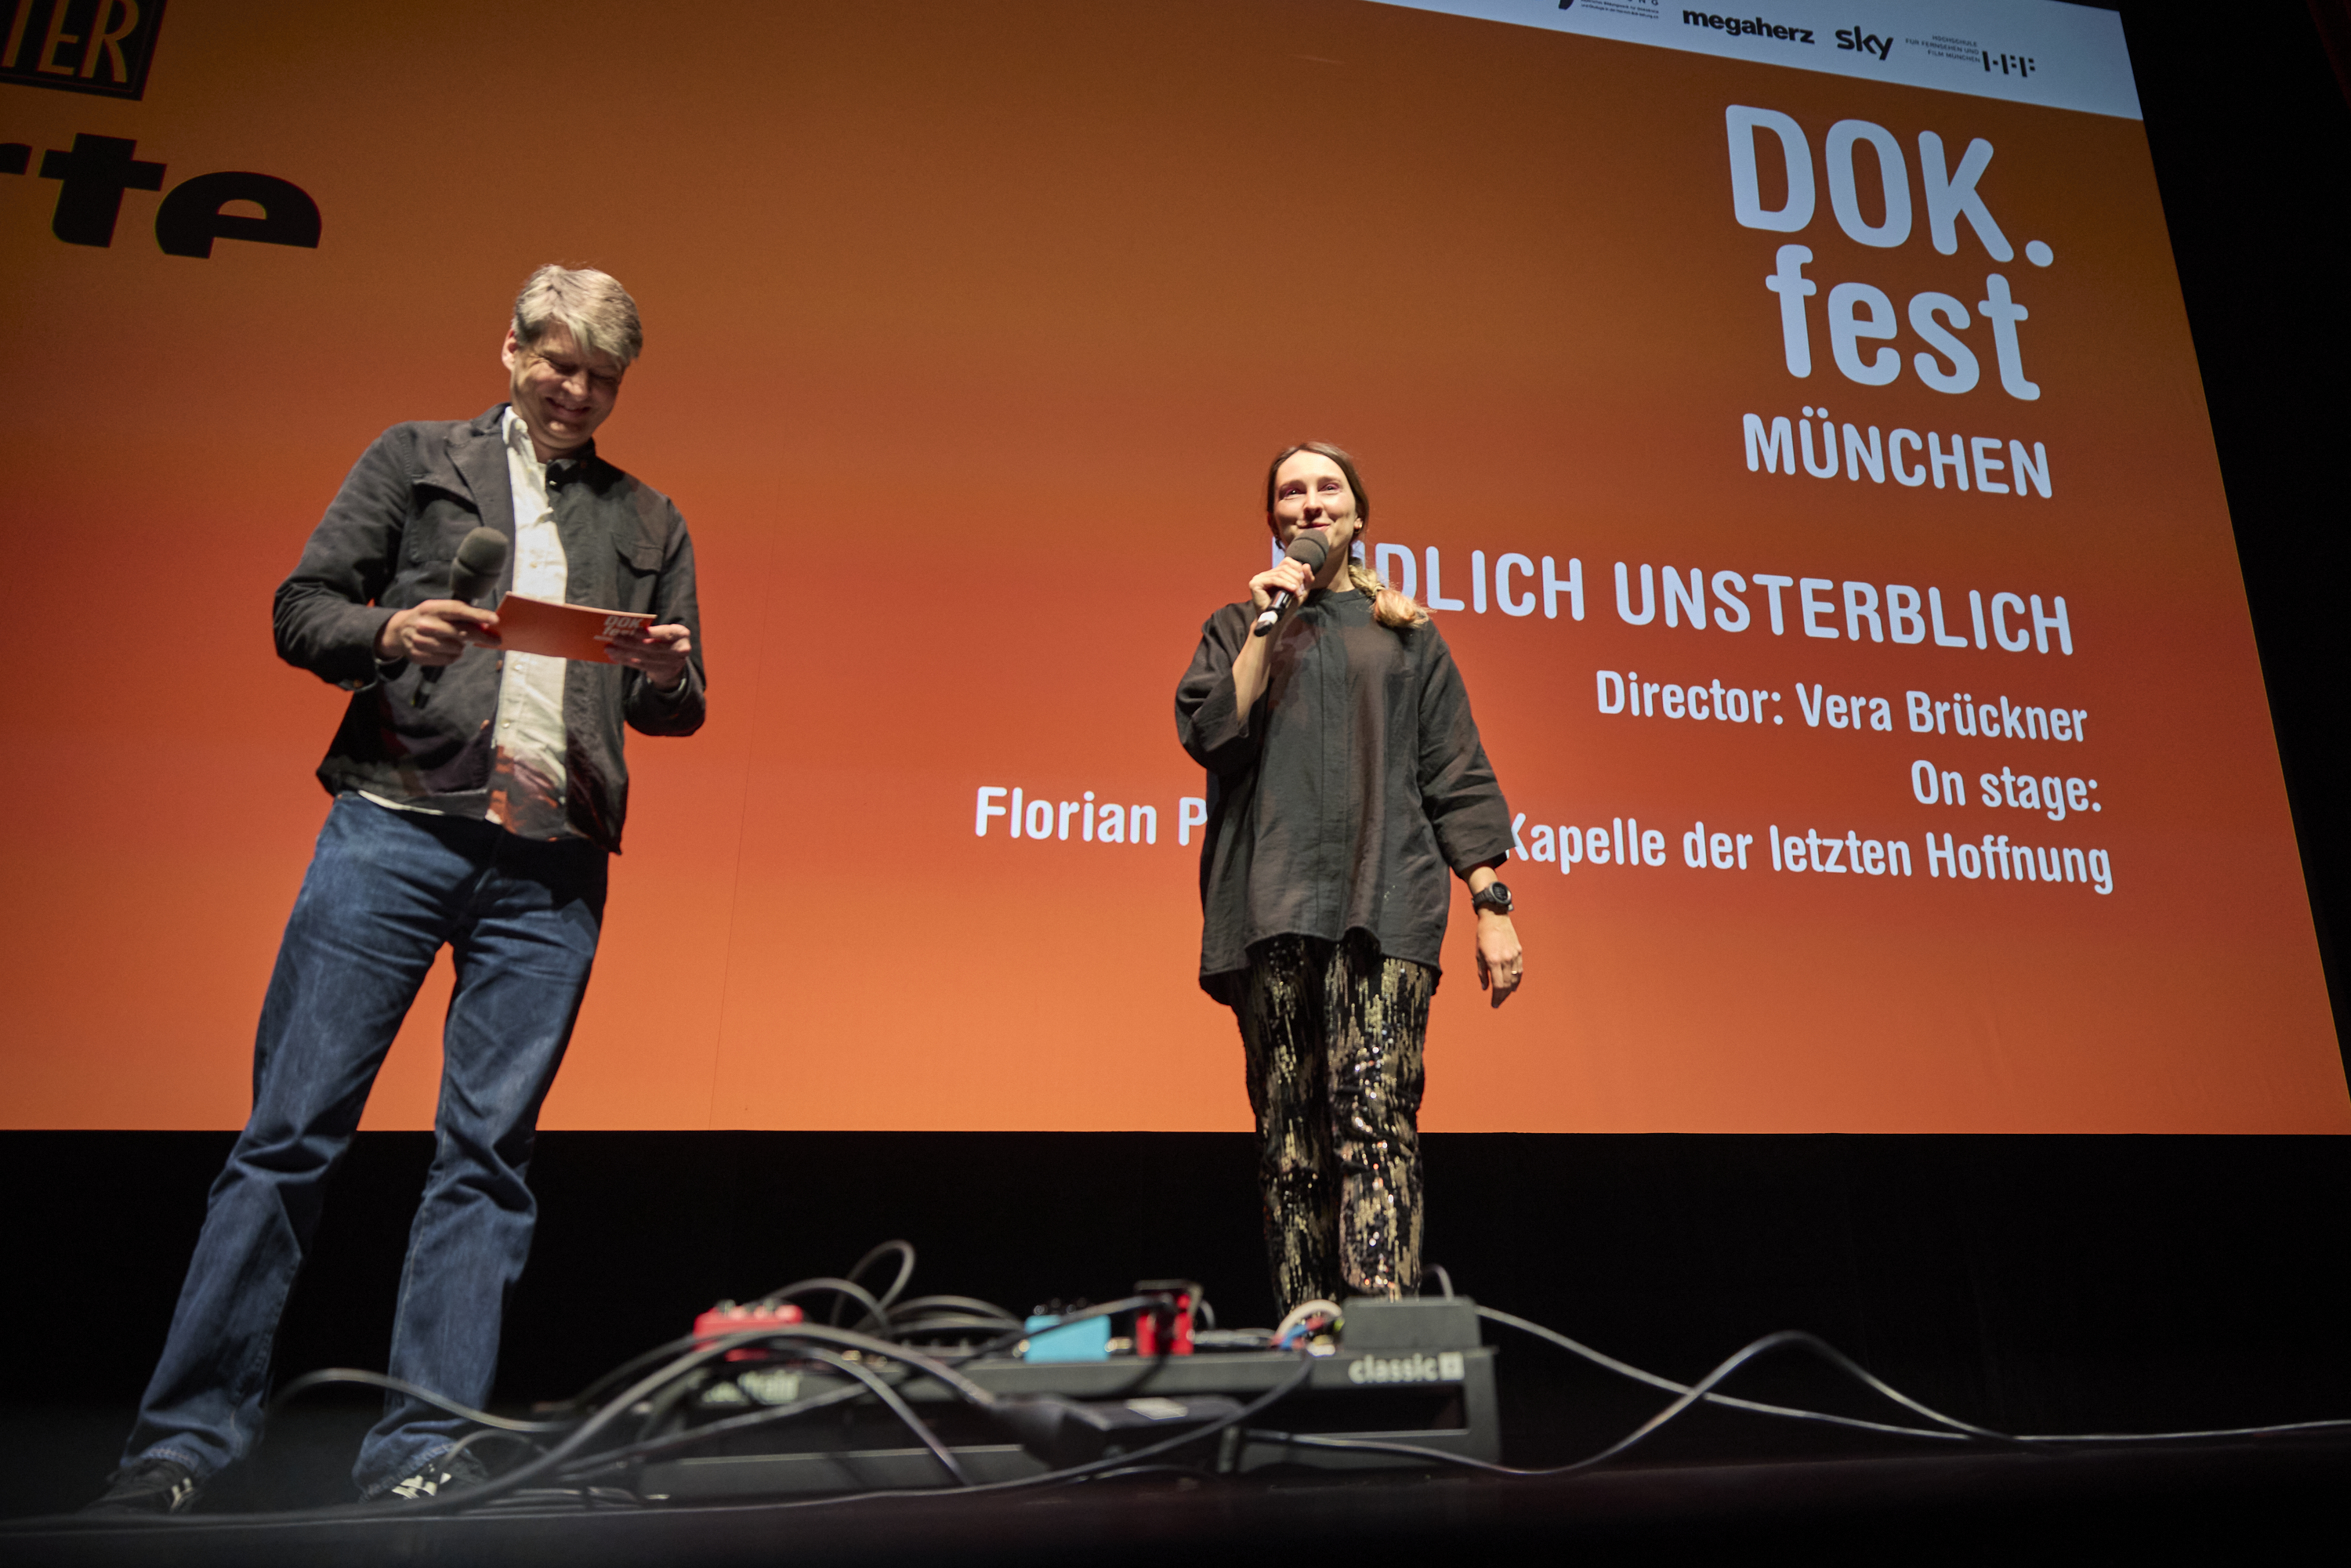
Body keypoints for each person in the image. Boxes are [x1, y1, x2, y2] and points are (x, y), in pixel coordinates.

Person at [89, 265, 706, 1512]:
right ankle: (180, 1444)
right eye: (560, 364)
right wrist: (388, 632)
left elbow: (681, 707)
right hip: (394, 827)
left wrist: (662, 671)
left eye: (602, 378)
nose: (577, 392)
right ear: (513, 350)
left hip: (553, 863)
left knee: (488, 1161)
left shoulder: (650, 518)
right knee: (289, 1136)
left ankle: (422, 1448)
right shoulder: (418, 457)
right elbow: (300, 609)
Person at [1176, 442, 1522, 1318]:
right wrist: (1267, 625)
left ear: (1358, 514)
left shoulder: (1407, 634)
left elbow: (1456, 773)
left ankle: (1384, 1339)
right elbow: (1213, 734)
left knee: (1374, 1122)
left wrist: (1491, 903)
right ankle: (1312, 1338)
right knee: (1289, 1142)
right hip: (1272, 909)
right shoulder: (1237, 624)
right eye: (1291, 492)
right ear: (1274, 520)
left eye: (1327, 488)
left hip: (1386, 905)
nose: (1310, 503)